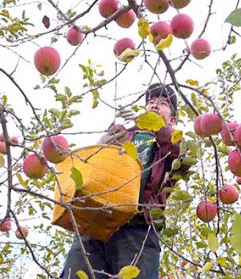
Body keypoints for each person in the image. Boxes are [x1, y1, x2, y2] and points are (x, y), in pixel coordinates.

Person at [60, 83, 186, 279]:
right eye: (151, 102)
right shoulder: (125, 135)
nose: (153, 105)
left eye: (162, 103)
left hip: (137, 227)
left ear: (172, 119)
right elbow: (97, 168)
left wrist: (155, 125)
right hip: (98, 220)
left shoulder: (171, 145)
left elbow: (182, 153)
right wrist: (104, 143)